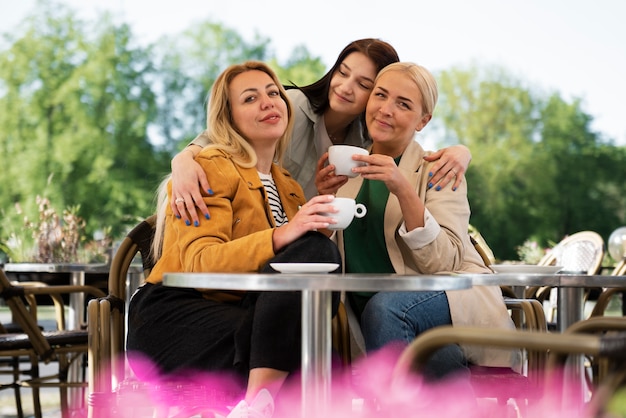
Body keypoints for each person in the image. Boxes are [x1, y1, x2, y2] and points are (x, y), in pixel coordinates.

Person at [126, 61, 343, 418]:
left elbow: (287, 276)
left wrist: (319, 218)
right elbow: (200, 262)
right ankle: (257, 406)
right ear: (228, 117)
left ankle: (255, 405)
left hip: (241, 314)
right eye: (250, 98)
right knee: (307, 354)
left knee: (313, 337)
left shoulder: (288, 185)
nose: (268, 102)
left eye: (274, 93)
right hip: (176, 315)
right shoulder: (211, 165)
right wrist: (285, 233)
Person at [316, 62, 519, 380]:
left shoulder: (439, 170)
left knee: (387, 309)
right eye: (380, 96)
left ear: (423, 120)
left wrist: (403, 189)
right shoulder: (348, 170)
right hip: (376, 316)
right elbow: (324, 255)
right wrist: (323, 205)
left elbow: (445, 262)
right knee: (433, 353)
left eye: (403, 104)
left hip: (451, 296)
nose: (385, 109)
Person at [170, 38, 473, 227]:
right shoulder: (289, 105)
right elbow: (218, 134)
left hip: (303, 240)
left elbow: (411, 148)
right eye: (343, 73)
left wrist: (462, 152)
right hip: (248, 227)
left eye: (364, 85)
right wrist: (182, 161)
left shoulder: (367, 145)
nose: (345, 87)